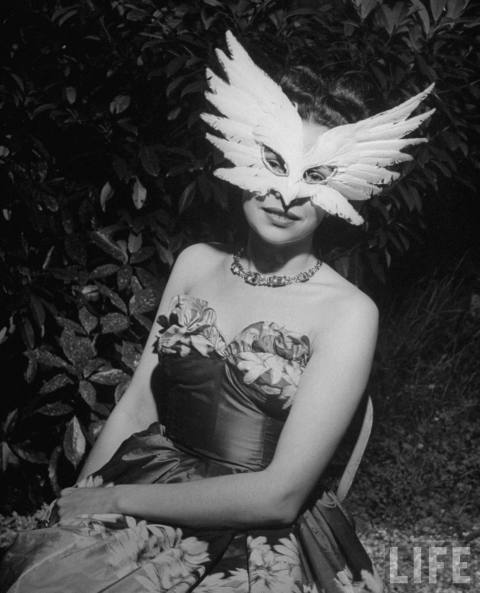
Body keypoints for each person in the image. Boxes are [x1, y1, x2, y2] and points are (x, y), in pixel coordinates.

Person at [0, 31, 434, 593]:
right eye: (273, 163)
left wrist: (117, 498)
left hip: (257, 528)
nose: (286, 195)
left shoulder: (349, 312)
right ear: (239, 158)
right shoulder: (195, 263)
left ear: (344, 192)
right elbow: (136, 406)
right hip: (145, 478)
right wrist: (80, 508)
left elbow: (280, 496)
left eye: (315, 177)